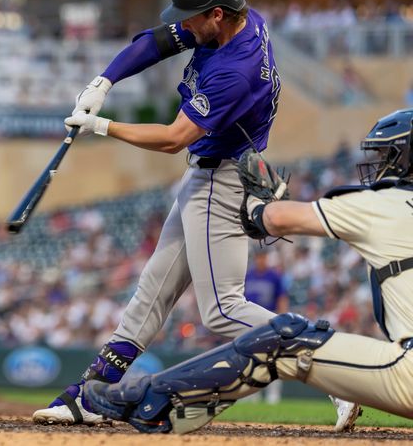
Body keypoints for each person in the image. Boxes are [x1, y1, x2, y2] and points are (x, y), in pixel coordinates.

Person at [32, 0, 358, 430]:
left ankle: (340, 373)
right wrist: (104, 82)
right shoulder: (234, 22)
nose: (183, 24)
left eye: (192, 17)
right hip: (210, 174)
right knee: (152, 293)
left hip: (219, 180)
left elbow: (173, 138)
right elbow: (156, 41)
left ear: (218, 15)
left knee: (223, 309)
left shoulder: (234, 69)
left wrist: (101, 126)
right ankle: (88, 394)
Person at [82, 108, 413, 434]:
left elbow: (277, 220)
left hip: (406, 374)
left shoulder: (380, 204)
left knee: (277, 334)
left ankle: (156, 401)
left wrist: (257, 203)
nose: (381, 165)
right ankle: (100, 392)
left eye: (389, 155)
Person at [243, 249, 288, 404]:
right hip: (251, 322)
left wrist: (281, 319)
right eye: (259, 257)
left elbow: (282, 298)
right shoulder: (248, 276)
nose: (261, 260)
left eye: (263, 257)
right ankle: (250, 394)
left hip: (269, 319)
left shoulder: (274, 276)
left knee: (273, 358)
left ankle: (273, 396)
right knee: (252, 358)